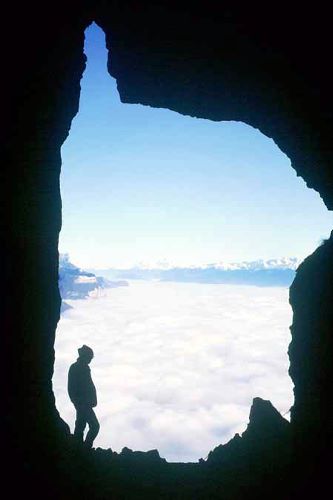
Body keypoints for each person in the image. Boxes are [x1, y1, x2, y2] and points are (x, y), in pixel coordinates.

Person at [67, 345, 100, 448]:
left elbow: (88, 385)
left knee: (81, 425)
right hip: (83, 403)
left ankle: (80, 448)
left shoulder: (83, 368)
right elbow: (72, 387)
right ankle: (84, 448)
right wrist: (78, 401)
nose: (90, 360)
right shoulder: (77, 367)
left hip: (84, 403)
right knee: (94, 426)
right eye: (89, 357)